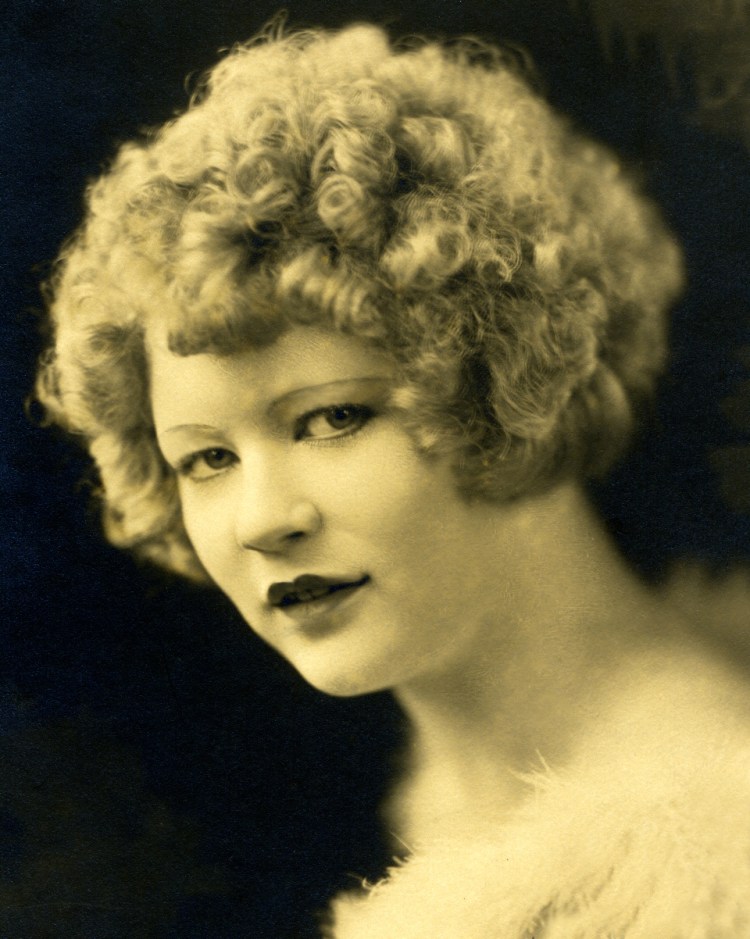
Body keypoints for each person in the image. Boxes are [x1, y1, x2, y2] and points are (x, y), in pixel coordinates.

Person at [35, 21, 750, 937]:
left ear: (511, 382)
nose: (261, 519)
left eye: (333, 417)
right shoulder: (471, 797)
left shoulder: (696, 869)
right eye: (206, 458)